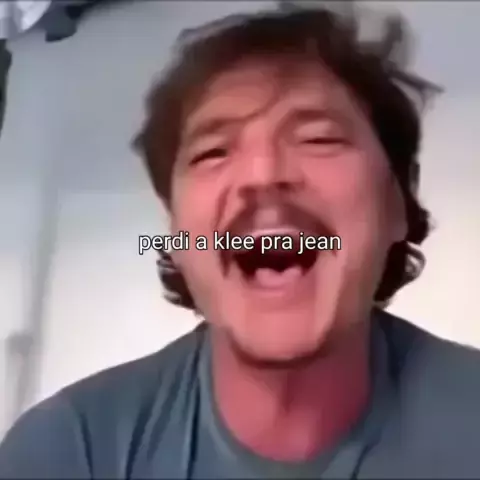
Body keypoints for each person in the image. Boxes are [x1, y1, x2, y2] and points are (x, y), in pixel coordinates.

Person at [1, 6, 479, 479]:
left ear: (398, 202)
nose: (262, 174)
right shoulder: (70, 451)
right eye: (212, 152)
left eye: (318, 138)